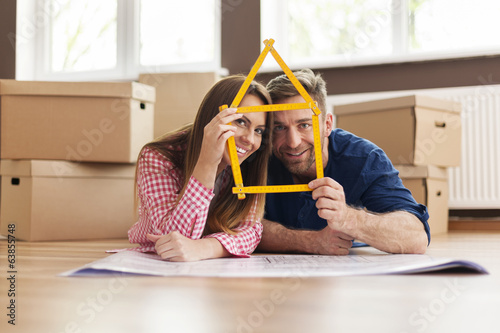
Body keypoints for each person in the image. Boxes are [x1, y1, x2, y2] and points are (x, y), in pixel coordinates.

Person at [257, 69, 430, 255]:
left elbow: (416, 238)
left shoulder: (364, 158)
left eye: (304, 125)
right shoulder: (257, 153)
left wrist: (348, 217)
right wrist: (309, 242)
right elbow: (233, 224)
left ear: (328, 125)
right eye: (279, 127)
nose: (293, 142)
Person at [127, 75, 273, 261]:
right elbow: (174, 240)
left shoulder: (250, 164)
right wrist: (207, 162)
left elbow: (251, 231)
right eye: (241, 121)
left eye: (259, 130)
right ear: (213, 117)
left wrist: (206, 247)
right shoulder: (158, 156)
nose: (250, 140)